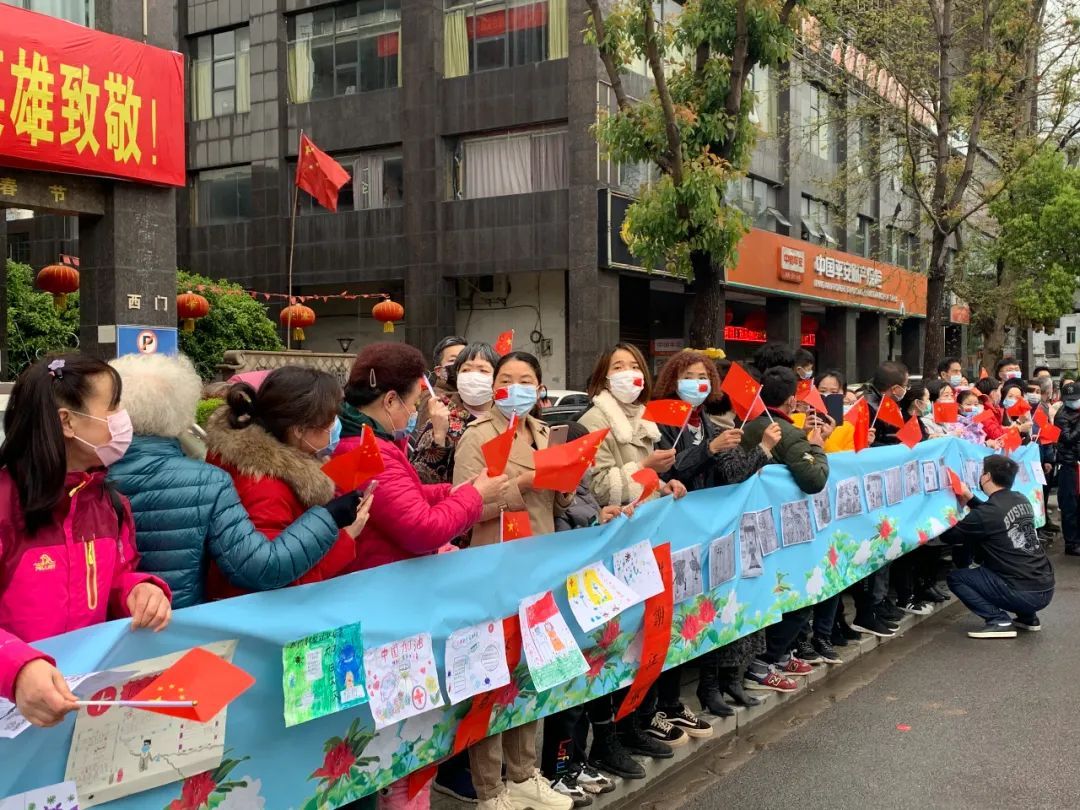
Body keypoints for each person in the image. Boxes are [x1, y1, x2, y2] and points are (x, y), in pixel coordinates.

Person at [108, 355, 361, 609]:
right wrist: (335, 527)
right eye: (329, 420)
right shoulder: (219, 481)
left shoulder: (89, 473)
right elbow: (262, 570)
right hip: (182, 619)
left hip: (101, 629)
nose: (335, 427)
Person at [0, 354, 172, 727]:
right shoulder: (4, 505)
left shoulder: (109, 503)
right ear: (67, 421)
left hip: (77, 706)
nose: (123, 417)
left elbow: (114, 578)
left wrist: (138, 590)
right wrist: (15, 667)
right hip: (13, 712)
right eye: (113, 406)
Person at [453, 350, 574, 810]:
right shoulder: (476, 437)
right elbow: (466, 509)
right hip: (492, 571)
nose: (515, 387)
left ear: (539, 389)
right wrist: (522, 483)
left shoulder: (544, 433)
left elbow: (556, 507)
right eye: (506, 379)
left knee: (532, 670)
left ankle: (524, 774)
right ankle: (490, 789)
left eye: (526, 380)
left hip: (538, 565)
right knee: (492, 678)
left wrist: (562, 487)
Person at [652, 351, 782, 715]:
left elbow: (730, 473)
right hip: (676, 533)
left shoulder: (708, 421)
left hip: (711, 531)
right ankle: (668, 704)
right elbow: (668, 473)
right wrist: (709, 450)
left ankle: (713, 688)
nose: (698, 382)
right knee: (680, 619)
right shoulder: (661, 421)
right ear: (673, 380)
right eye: (689, 375)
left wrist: (753, 453)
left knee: (709, 609)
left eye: (704, 375)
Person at [203, 367, 370, 598]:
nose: (336, 428)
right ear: (299, 430)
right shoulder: (264, 486)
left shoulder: (264, 466)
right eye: (330, 422)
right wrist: (345, 538)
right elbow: (275, 585)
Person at [340, 343, 509, 571]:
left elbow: (400, 497)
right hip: (380, 580)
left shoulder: (366, 442)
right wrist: (476, 495)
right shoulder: (367, 452)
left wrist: (450, 492)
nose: (413, 412)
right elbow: (422, 531)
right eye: (413, 403)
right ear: (390, 401)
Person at [540, 421, 637, 798]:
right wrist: (595, 523)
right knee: (565, 697)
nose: (588, 460)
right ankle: (558, 767)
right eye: (581, 452)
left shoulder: (579, 484)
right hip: (562, 600)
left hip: (586, 599)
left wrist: (604, 517)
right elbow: (561, 537)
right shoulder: (554, 487)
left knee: (583, 688)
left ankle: (576, 762)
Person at [739, 367, 829, 691]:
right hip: (778, 529)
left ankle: (777, 655)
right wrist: (816, 446)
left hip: (754, 525)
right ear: (792, 399)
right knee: (795, 591)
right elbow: (814, 479)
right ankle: (764, 662)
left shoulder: (747, 426)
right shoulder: (787, 433)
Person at [941, 455, 1054, 638]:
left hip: (1022, 592)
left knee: (957, 577)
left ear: (986, 476)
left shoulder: (987, 512)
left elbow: (950, 536)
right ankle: (1027, 617)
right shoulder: (1021, 499)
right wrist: (970, 498)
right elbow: (992, 515)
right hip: (1045, 588)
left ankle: (998, 620)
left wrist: (949, 513)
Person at [578, 343, 686, 506]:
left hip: (644, 520)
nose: (628, 372)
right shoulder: (593, 421)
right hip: (614, 524)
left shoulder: (643, 418)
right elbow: (597, 490)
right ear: (604, 379)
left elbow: (641, 482)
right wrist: (644, 465)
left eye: (635, 367)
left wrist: (662, 488)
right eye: (618, 367)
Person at [413, 342, 499, 487]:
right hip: (455, 505)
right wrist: (439, 437)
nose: (473, 376)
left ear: (496, 378)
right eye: (466, 370)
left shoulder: (507, 418)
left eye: (483, 370)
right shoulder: (442, 416)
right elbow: (420, 480)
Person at [416, 335, 467, 440]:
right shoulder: (432, 397)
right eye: (454, 360)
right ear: (439, 371)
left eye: (465, 359)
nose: (461, 365)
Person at [1053, 381, 1080, 556]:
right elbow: (1067, 438)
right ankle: (1071, 543)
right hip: (1069, 466)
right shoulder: (1061, 415)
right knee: (1070, 505)